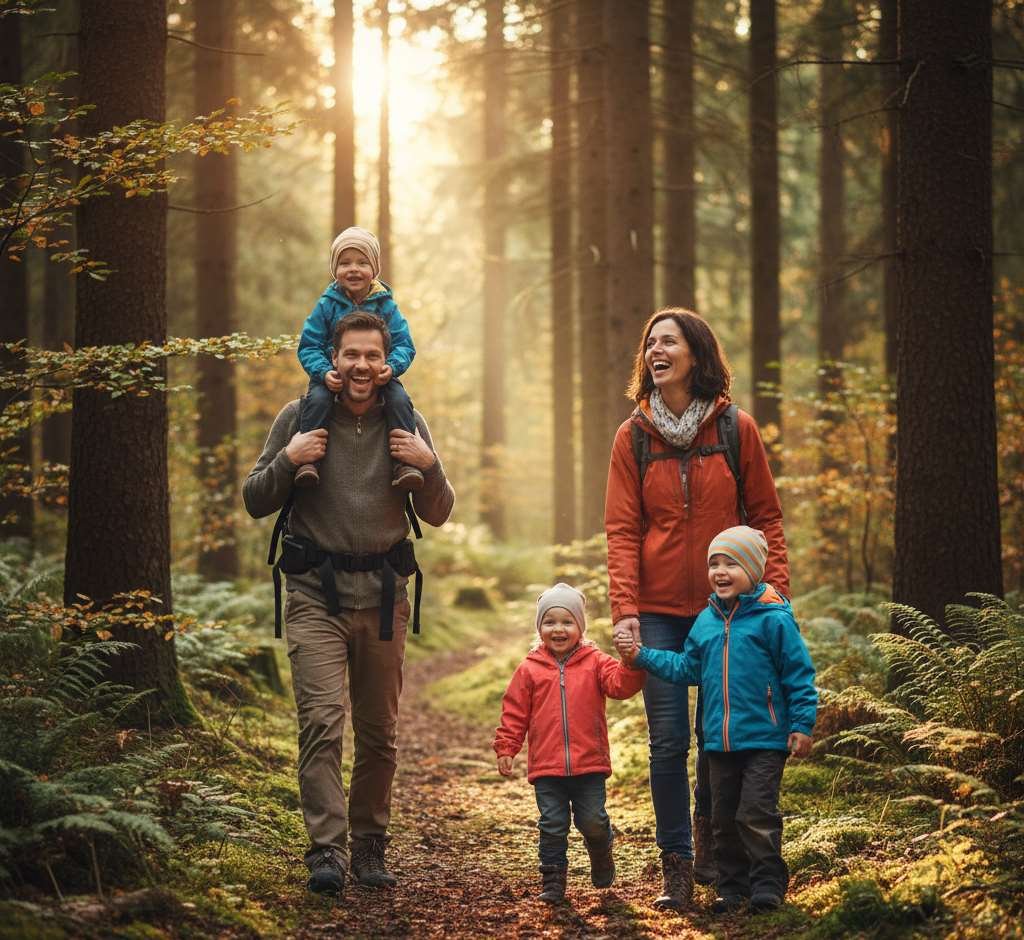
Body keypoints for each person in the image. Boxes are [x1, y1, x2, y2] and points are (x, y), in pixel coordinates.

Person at [243, 311, 455, 896]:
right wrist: (289, 459)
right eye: (350, 355)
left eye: (370, 356)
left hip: (386, 597)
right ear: (332, 359)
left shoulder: (407, 421)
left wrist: (429, 465)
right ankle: (327, 852)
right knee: (321, 722)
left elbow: (439, 511)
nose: (361, 366)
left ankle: (369, 845)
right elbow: (255, 499)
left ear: (387, 362)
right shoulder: (299, 416)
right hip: (315, 592)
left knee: (380, 732)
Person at [604, 307, 789, 910]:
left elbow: (766, 517)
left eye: (670, 341)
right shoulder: (632, 436)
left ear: (697, 355)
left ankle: (716, 846)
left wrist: (775, 591)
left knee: (719, 740)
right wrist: (625, 609)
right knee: (667, 741)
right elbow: (622, 530)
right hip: (657, 609)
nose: (657, 349)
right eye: (650, 342)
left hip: (728, 610)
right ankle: (677, 863)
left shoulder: (736, 429)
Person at [616, 525, 816, 915]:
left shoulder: (774, 619)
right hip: (720, 742)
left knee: (756, 813)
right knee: (723, 818)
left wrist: (802, 725)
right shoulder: (706, 622)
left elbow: (799, 674)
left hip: (765, 740)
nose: (721, 572)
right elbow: (687, 667)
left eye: (732, 563)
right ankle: (732, 887)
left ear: (755, 570)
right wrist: (642, 656)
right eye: (714, 564)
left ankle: (768, 884)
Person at [493, 583, 645, 904]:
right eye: (550, 622)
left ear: (580, 626)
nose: (558, 629)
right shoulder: (529, 669)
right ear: (540, 628)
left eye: (567, 622)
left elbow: (619, 685)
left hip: (589, 763)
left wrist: (631, 663)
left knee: (592, 820)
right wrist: (507, 748)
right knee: (552, 823)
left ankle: (601, 851)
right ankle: (552, 882)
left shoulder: (596, 662)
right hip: (547, 767)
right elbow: (514, 713)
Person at [295, 225, 422, 491]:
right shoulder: (327, 303)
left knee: (399, 400)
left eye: (362, 262)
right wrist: (322, 372)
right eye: (345, 263)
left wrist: (392, 366)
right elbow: (309, 344)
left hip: (377, 374)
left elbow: (404, 343)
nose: (353, 269)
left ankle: (404, 464)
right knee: (317, 400)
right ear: (335, 270)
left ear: (374, 269)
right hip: (332, 374)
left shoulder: (385, 303)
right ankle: (309, 463)